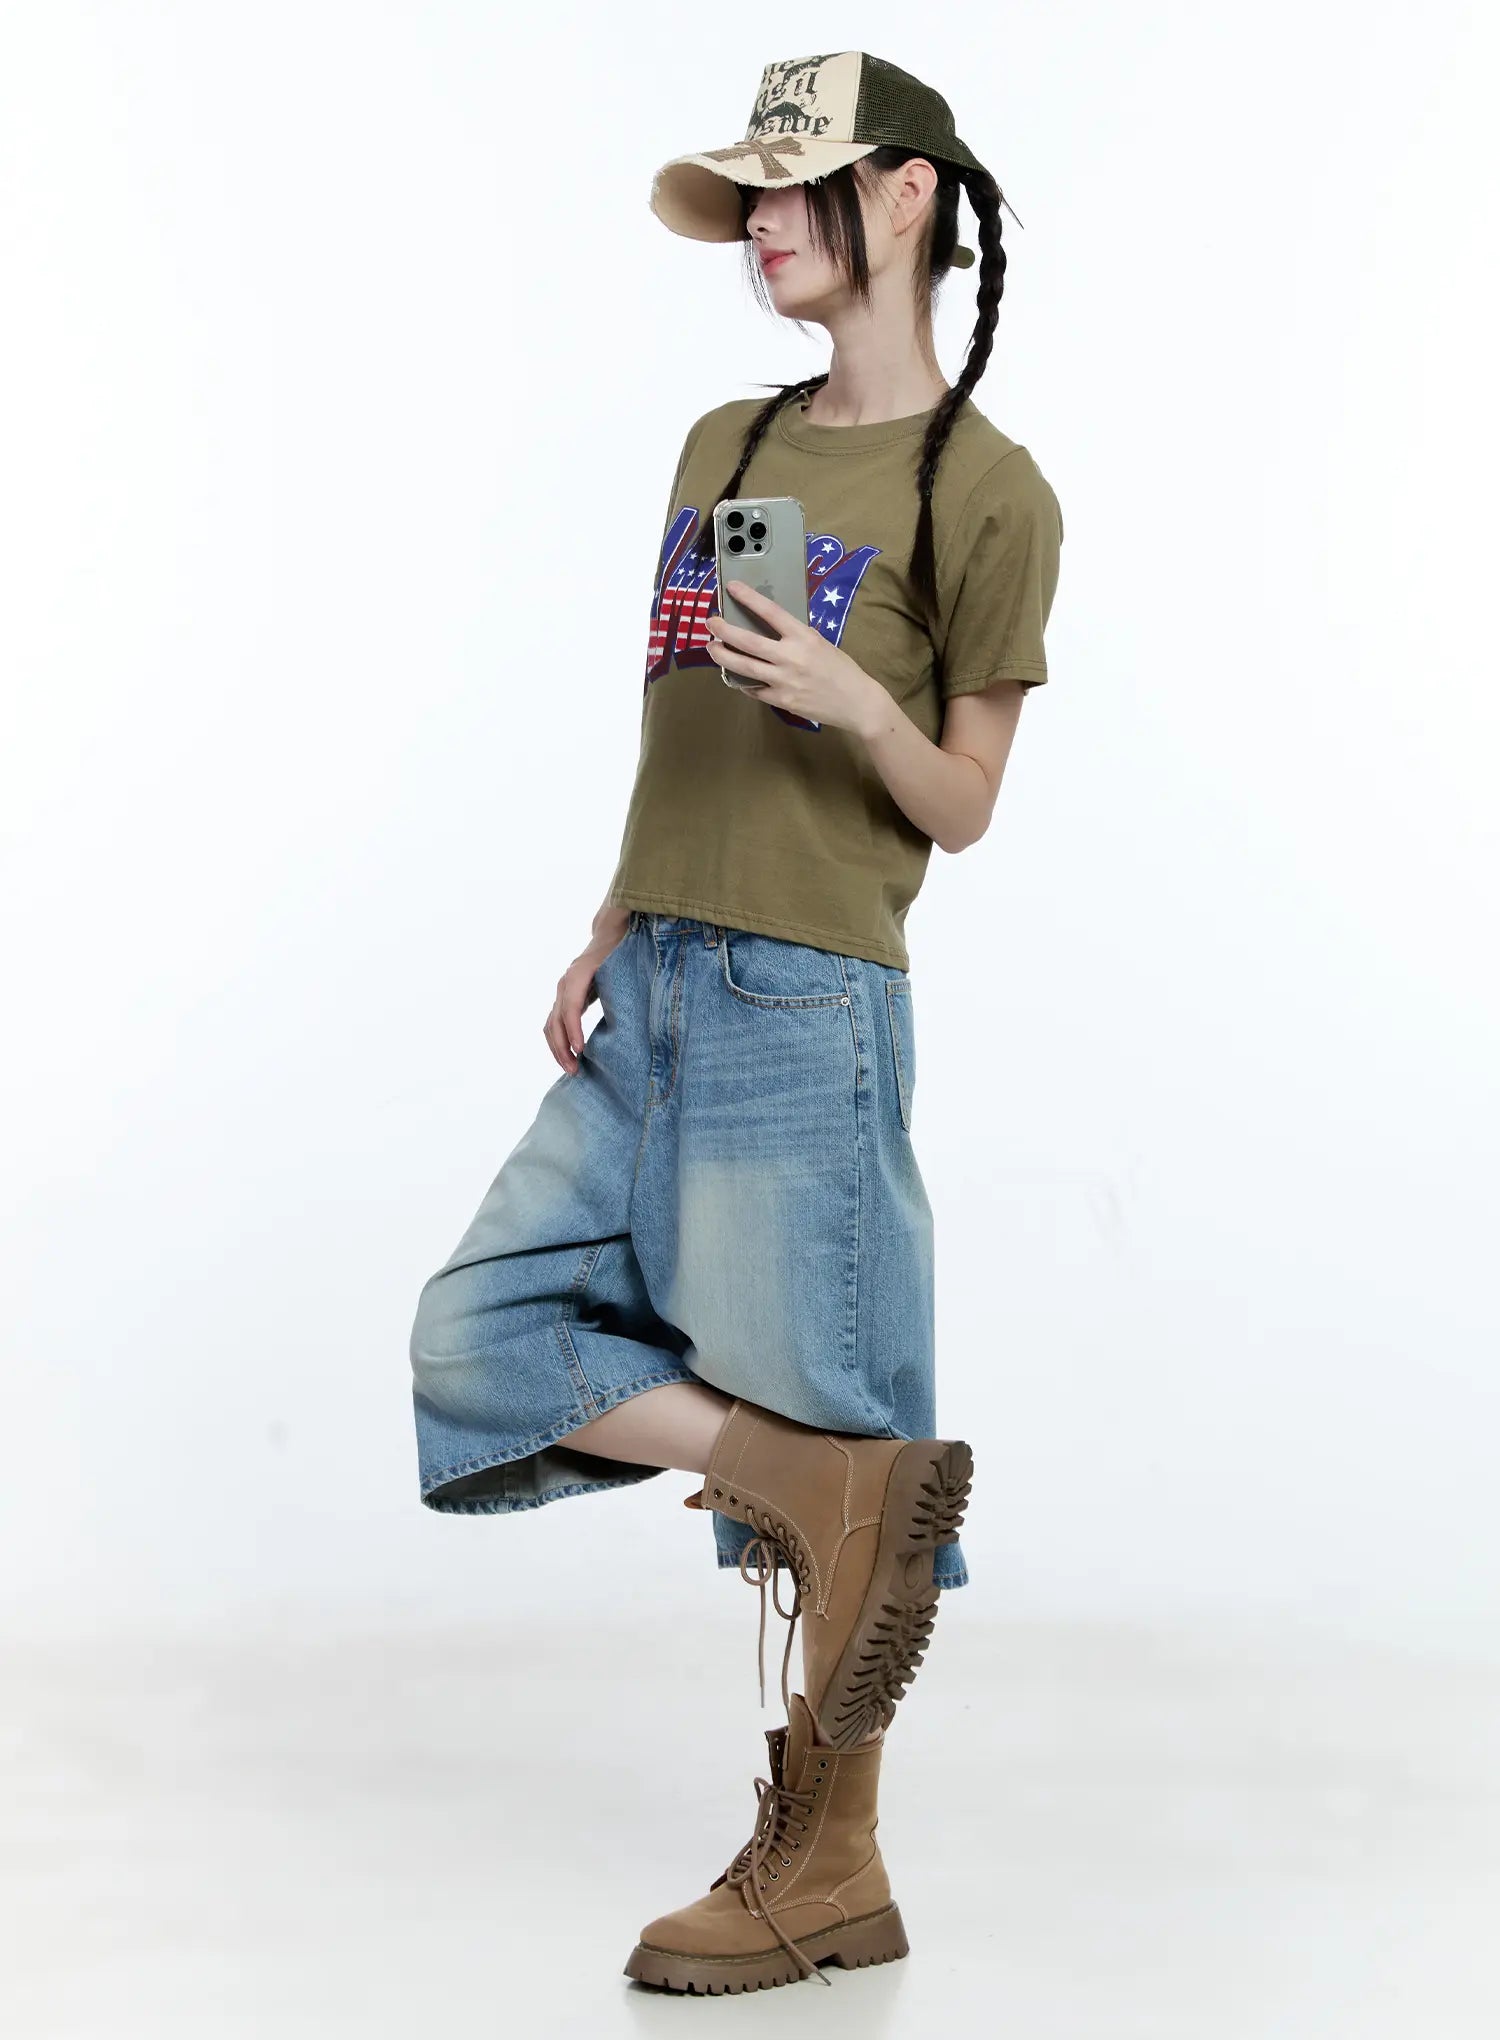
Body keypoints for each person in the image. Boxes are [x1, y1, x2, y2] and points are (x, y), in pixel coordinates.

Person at [408, 49, 1063, 1995]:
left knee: (838, 1419)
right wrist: (616, 915)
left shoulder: (991, 491)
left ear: (910, 197)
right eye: (752, 195)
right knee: (479, 1334)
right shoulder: (728, 437)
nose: (761, 223)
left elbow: (966, 806)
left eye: (794, 187)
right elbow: (675, 710)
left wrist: (860, 704)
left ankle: (827, 1866)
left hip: (806, 991)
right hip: (666, 974)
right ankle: (822, 1482)